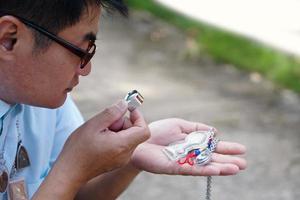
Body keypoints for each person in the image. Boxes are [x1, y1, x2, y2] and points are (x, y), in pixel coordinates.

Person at [0, 0, 247, 199]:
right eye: (82, 51)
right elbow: (67, 180)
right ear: (9, 39)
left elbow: (75, 195)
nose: (86, 70)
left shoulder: (45, 103)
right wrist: (71, 169)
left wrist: (128, 157)